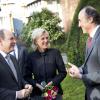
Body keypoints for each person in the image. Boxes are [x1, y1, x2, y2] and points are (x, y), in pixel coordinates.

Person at [24, 28, 67, 100]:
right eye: (42, 38)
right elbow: (27, 76)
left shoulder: (55, 53)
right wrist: (37, 85)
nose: (46, 40)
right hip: (38, 94)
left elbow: (63, 72)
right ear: (35, 41)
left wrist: (52, 83)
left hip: (54, 91)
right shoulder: (31, 57)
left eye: (47, 38)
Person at [68, 6, 100, 100]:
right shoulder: (89, 39)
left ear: (90, 19)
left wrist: (81, 76)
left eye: (80, 20)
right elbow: (90, 63)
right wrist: (79, 69)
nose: (79, 25)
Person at [0, 29, 33, 100]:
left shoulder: (13, 58)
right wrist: (16, 94)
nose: (15, 41)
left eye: (14, 39)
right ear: (1, 41)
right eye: (11, 39)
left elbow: (18, 78)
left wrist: (25, 84)